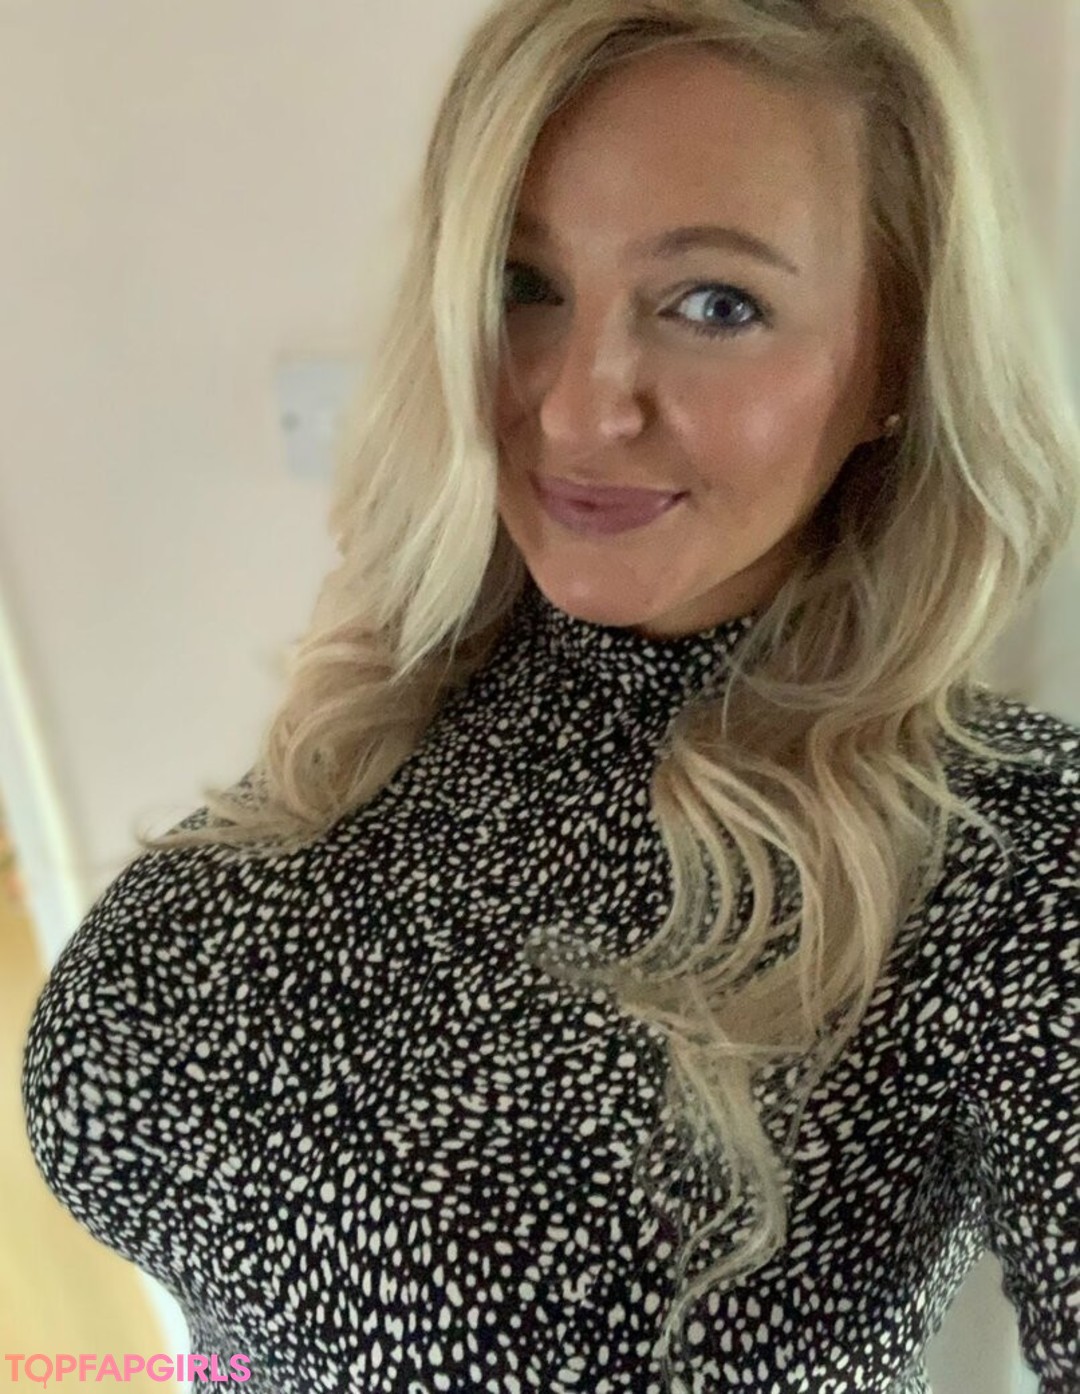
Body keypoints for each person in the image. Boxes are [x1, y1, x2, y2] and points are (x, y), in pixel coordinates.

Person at [20, 0, 1079, 1391]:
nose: (579, 411)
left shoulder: (1014, 860)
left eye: (715, 304)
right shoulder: (406, 686)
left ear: (898, 353)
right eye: (525, 285)